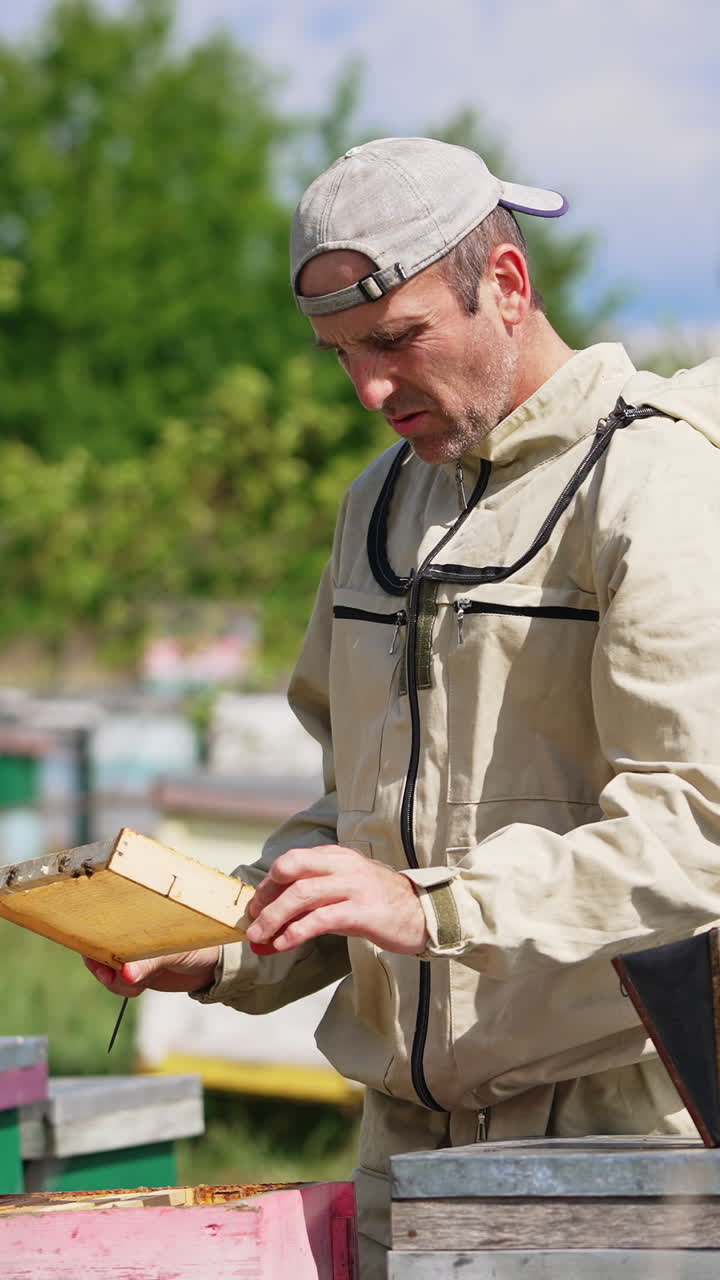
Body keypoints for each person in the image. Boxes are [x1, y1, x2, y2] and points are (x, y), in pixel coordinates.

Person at [86, 137, 720, 1277]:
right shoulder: (376, 503)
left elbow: (697, 832)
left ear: (507, 285)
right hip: (402, 1144)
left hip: (618, 1143)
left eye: (396, 339)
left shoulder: (657, 481)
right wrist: (224, 944)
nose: (371, 391)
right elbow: (360, 824)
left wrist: (425, 903)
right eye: (341, 355)